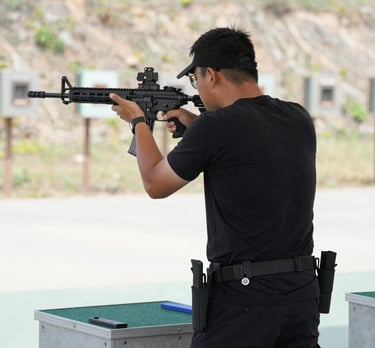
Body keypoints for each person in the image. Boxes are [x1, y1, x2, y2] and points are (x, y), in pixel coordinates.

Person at [110, 27, 320, 348]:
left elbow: (155, 183)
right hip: (301, 292)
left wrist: (138, 122)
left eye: (195, 79)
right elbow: (249, 150)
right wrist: (195, 127)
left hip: (244, 298)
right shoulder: (298, 117)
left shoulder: (215, 127)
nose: (197, 87)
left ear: (211, 75)